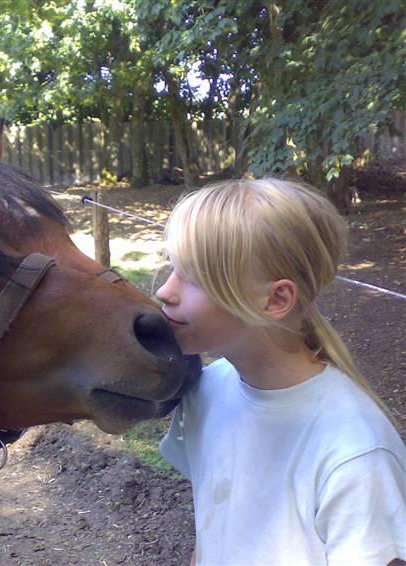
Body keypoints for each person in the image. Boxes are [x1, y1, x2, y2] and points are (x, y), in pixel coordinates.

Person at [156, 178, 405, 565]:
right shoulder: (206, 391)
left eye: (193, 277)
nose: (165, 291)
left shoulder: (355, 453)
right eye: (173, 268)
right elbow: (215, 531)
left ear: (275, 300)